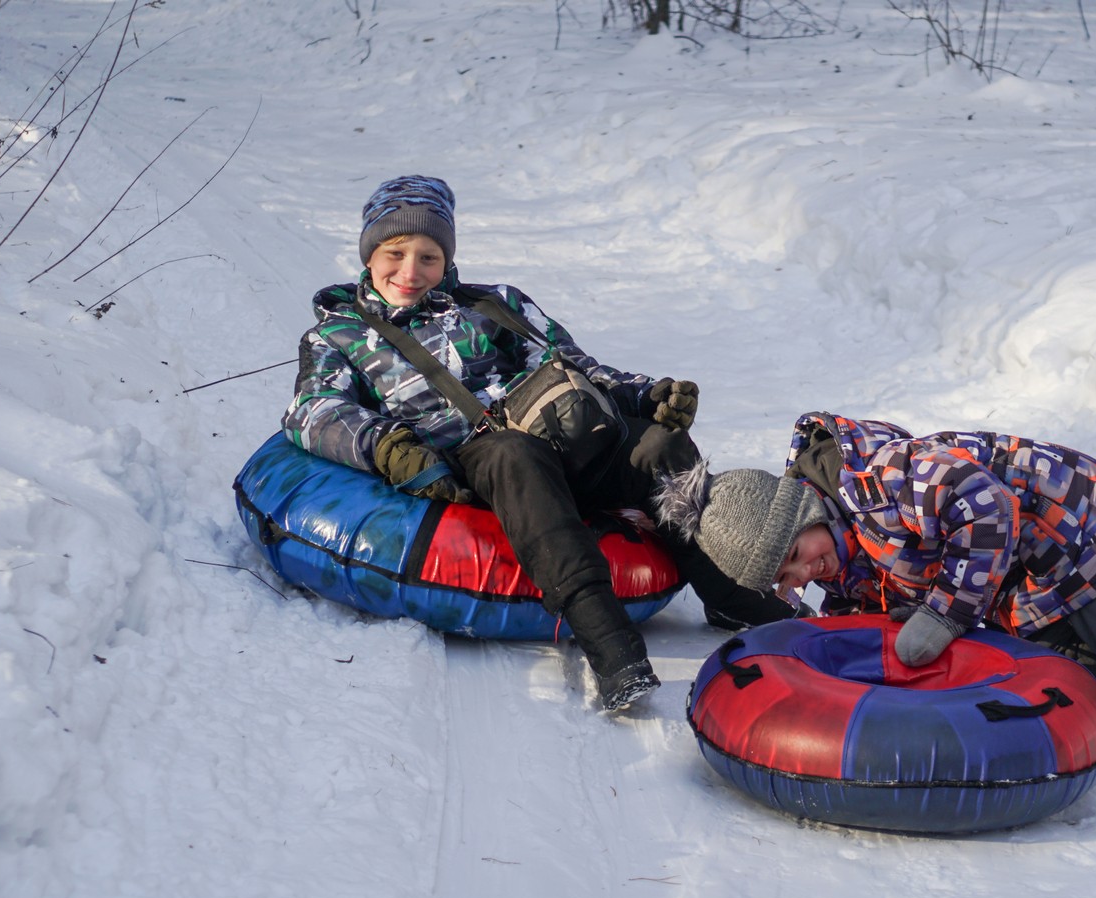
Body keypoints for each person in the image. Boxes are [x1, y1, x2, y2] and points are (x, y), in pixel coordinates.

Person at [282, 175, 790, 711]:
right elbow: (312, 411)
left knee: (660, 445)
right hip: (481, 460)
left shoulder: (495, 303)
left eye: (428, 257)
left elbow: (573, 364)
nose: (410, 273)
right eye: (394, 253)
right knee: (513, 454)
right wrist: (387, 446)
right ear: (368, 254)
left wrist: (645, 396)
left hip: (562, 434)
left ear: (447, 259)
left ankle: (729, 593)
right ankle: (613, 648)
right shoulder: (338, 335)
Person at [653, 411, 1096, 715]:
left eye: (793, 561)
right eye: (784, 584)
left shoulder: (880, 476)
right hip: (1024, 588)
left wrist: (944, 611)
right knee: (1046, 686)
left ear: (802, 517)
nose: (799, 581)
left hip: (1073, 533)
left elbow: (986, 506)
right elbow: (868, 626)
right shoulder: (838, 556)